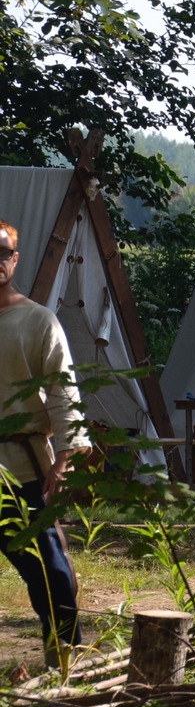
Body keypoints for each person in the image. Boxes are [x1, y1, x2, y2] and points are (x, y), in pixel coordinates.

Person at [0, 218, 92, 661]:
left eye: (3, 253)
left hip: (22, 463)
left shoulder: (38, 320)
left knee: (47, 569)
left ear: (14, 260)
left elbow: (62, 388)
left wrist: (65, 457)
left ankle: (64, 657)